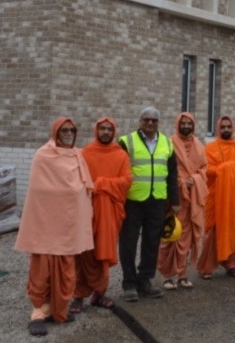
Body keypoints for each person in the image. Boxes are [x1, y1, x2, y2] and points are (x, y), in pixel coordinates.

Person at [15, 117, 94, 337]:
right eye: (64, 130)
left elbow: (84, 189)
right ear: (55, 133)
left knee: (67, 271)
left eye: (72, 130)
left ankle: (58, 310)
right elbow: (39, 191)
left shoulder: (78, 155)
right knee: (42, 271)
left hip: (68, 227)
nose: (68, 133)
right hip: (45, 227)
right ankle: (38, 313)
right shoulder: (43, 155)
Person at [70, 117, 132, 314]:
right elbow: (78, 181)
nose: (105, 132)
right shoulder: (85, 153)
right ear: (96, 130)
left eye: (109, 129)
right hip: (87, 212)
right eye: (102, 128)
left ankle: (99, 293)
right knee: (83, 253)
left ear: (114, 132)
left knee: (103, 254)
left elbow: (127, 181)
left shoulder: (120, 155)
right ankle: (78, 296)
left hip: (110, 213)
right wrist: (99, 187)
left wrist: (101, 184)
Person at [117, 107, 179, 302]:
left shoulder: (167, 143)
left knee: (152, 242)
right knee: (128, 242)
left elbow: (173, 173)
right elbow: (118, 170)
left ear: (158, 123)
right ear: (140, 121)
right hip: (133, 201)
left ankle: (145, 281)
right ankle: (129, 283)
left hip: (157, 201)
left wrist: (175, 201)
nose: (150, 123)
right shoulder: (126, 142)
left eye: (154, 120)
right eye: (146, 120)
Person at [196, 116, 235, 279]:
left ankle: (231, 264)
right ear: (218, 129)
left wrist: (229, 168)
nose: (226, 129)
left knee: (231, 230)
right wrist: (224, 169)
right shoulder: (210, 148)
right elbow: (205, 170)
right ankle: (206, 267)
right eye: (223, 127)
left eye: (229, 127)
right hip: (215, 198)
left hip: (234, 198)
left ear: (233, 128)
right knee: (213, 231)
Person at [157, 112, 208, 290]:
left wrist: (194, 179)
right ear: (177, 124)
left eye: (189, 123)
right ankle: (166, 276)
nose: (186, 126)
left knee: (186, 238)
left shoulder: (199, 145)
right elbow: (164, 167)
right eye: (183, 123)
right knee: (170, 235)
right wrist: (179, 182)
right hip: (174, 198)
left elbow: (204, 169)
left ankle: (182, 275)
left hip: (191, 199)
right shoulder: (169, 143)